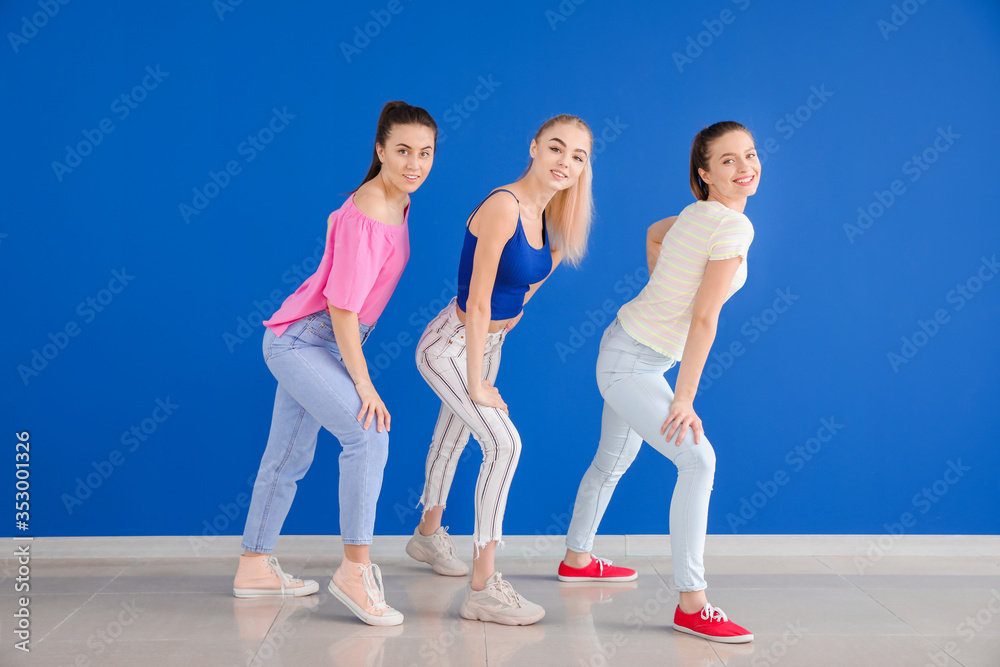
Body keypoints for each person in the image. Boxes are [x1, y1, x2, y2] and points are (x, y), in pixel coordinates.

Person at [232, 101, 437, 628]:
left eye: (425, 153)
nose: (414, 163)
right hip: (305, 341)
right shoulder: (370, 207)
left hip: (321, 340)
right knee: (369, 433)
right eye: (403, 151)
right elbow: (343, 309)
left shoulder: (397, 201)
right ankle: (354, 570)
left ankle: (254, 566)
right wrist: (364, 384)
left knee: (286, 456)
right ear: (380, 151)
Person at [559, 121, 760, 643]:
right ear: (705, 174)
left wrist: (663, 292)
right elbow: (704, 320)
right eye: (729, 161)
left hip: (625, 348)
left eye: (750, 156)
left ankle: (577, 559)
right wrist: (685, 399)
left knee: (611, 461)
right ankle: (692, 604)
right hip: (633, 363)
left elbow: (654, 233)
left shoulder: (699, 214)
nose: (745, 167)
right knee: (698, 459)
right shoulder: (733, 227)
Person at [405, 114, 595, 626]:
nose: (566, 162)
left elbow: (531, 278)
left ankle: (427, 536)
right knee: (503, 443)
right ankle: (484, 586)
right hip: (451, 345)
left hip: (488, 345)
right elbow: (481, 297)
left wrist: (509, 325)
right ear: (533, 147)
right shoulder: (503, 206)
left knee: (453, 436)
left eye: (578, 157)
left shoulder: (549, 215)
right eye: (556, 148)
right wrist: (476, 380)